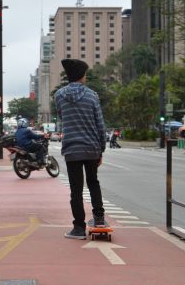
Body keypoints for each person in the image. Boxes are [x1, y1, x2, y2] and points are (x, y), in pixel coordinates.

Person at [55, 58, 106, 240]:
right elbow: (100, 124)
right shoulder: (92, 95)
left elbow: (62, 117)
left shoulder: (59, 96)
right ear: (81, 75)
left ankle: (78, 228)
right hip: (91, 147)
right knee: (93, 183)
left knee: (76, 189)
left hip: (71, 149)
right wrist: (101, 149)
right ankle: (99, 219)